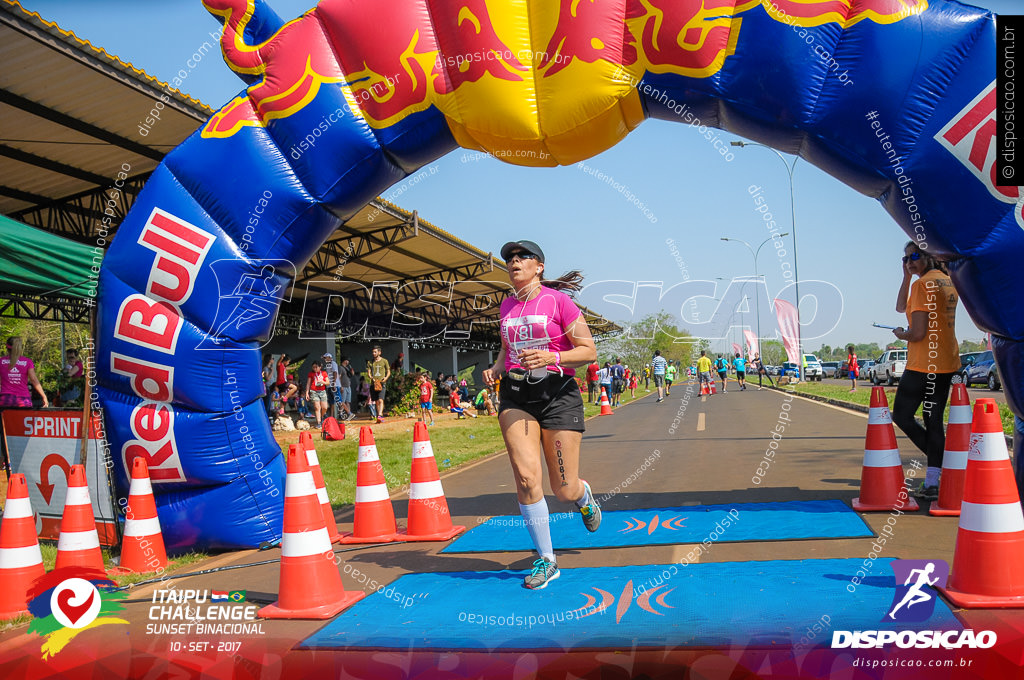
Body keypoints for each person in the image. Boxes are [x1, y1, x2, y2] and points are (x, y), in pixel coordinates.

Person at [482, 239, 601, 590]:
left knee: (563, 489)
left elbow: (589, 351)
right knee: (526, 477)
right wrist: (496, 368)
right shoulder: (505, 306)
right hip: (517, 395)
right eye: (510, 259)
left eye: (522, 257)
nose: (514, 262)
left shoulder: (559, 301)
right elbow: (507, 351)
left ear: (539, 266)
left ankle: (583, 497)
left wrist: (553, 358)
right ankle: (547, 560)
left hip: (558, 394)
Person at [892, 241, 959, 502]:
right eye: (905, 258)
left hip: (922, 364)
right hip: (945, 362)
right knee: (933, 421)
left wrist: (901, 334)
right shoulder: (947, 280)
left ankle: (939, 462)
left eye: (915, 256)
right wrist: (906, 276)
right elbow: (901, 307)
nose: (909, 262)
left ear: (929, 256)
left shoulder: (922, 285)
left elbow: (918, 333)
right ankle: (933, 481)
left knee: (903, 416)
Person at [1, 337, 48, 408]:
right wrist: (44, 396)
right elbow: (33, 380)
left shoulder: (1, 361)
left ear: (6, 347)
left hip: (6, 399)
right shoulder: (27, 362)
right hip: (23, 399)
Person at [366, 345, 390, 423]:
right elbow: (369, 373)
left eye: (375, 352)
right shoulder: (370, 362)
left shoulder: (384, 361)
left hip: (382, 383)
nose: (373, 353)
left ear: (379, 352)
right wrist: (371, 377)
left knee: (380, 399)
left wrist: (385, 378)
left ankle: (380, 415)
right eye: (373, 352)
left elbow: (388, 371)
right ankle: (379, 416)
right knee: (376, 401)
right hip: (373, 384)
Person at [304, 360, 330, 428]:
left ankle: (321, 416)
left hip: (322, 391)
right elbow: (308, 383)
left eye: (316, 367)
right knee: (317, 407)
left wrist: (322, 382)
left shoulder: (324, 373)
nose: (315, 369)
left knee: (325, 407)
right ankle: (318, 422)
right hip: (314, 391)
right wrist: (307, 393)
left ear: (320, 367)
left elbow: (328, 382)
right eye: (313, 367)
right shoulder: (311, 374)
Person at [337, 356, 355, 420]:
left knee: (348, 401)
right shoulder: (340, 367)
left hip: (348, 386)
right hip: (343, 386)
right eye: (347, 360)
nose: (348, 362)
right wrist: (340, 386)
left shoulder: (347, 368)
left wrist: (352, 371)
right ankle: (342, 414)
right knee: (342, 401)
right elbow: (338, 377)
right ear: (344, 361)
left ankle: (349, 416)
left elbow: (351, 375)